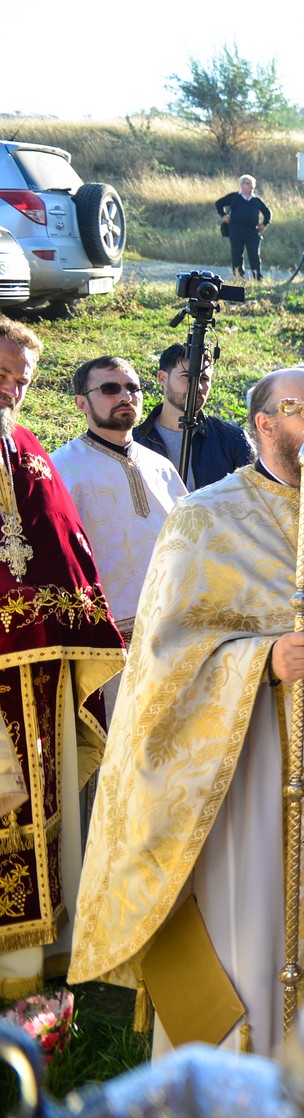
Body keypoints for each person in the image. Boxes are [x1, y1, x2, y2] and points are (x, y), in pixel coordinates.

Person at [71, 365, 304, 1056]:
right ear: (263, 425)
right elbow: (165, 654)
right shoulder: (207, 517)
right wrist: (257, 659)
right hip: (255, 763)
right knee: (260, 917)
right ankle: (244, 1070)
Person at [0, 319, 120, 1000]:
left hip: (38, 668)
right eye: (3, 375)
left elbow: (61, 543)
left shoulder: (24, 446)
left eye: (23, 379)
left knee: (39, 813)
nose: (14, 390)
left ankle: (36, 961)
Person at [49, 357, 186, 715]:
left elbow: (189, 541)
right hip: (106, 646)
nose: (124, 396)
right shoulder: (61, 469)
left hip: (171, 635)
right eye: (110, 389)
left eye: (132, 388)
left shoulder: (161, 466)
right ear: (81, 402)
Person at [133, 343, 252, 491]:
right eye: (187, 376)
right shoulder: (135, 442)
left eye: (204, 378)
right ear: (162, 378)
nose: (198, 386)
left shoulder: (233, 440)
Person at [214, 175, 271, 282]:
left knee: (254, 255)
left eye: (252, 184)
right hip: (236, 230)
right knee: (237, 254)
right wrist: (224, 216)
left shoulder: (256, 200)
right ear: (241, 185)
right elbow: (219, 203)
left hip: (252, 231)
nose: (251, 186)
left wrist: (264, 224)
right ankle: (239, 278)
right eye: (248, 183)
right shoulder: (234, 197)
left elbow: (267, 213)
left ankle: (257, 278)